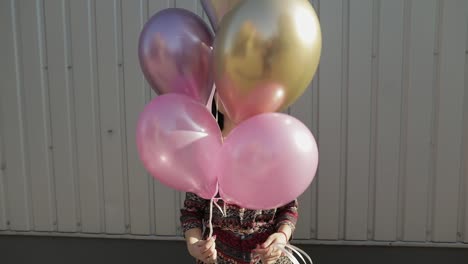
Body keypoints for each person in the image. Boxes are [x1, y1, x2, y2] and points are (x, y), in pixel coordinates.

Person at [180, 96, 298, 264]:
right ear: (214, 96)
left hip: (269, 258)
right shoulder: (205, 150)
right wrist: (194, 245)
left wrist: (281, 238)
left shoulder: (272, 147)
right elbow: (192, 210)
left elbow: (288, 206)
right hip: (217, 259)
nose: (233, 92)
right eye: (224, 86)